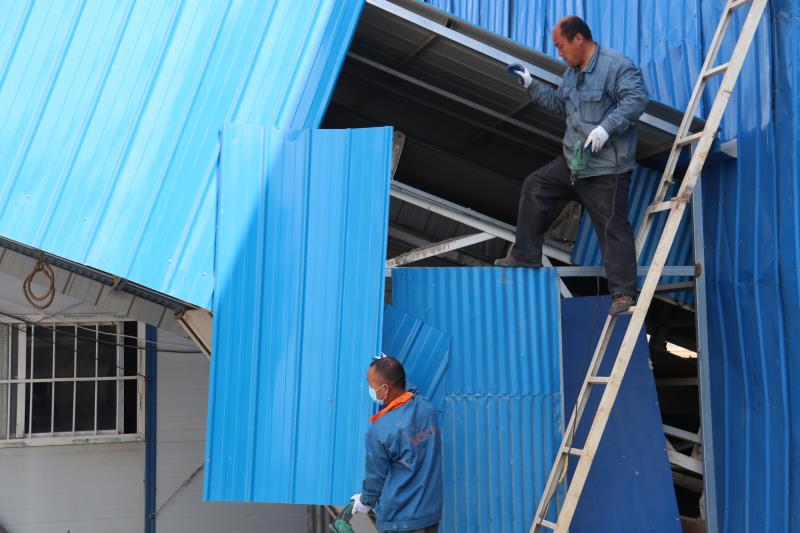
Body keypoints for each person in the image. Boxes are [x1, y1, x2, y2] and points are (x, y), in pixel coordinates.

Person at [495, 16, 649, 316]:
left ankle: (623, 294)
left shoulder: (616, 65)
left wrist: (606, 128)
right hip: (574, 162)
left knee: (612, 228)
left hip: (606, 169)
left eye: (561, 46)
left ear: (579, 39)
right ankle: (526, 255)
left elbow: (636, 100)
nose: (559, 53)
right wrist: (531, 85)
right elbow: (560, 105)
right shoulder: (571, 74)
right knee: (536, 186)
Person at [351, 355, 442, 533]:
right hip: (430, 516)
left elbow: (375, 479)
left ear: (385, 389)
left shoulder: (380, 431)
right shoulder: (426, 408)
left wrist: (364, 501)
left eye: (371, 384)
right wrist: (395, 373)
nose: (370, 389)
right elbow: (412, 392)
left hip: (400, 521)